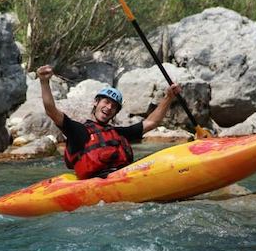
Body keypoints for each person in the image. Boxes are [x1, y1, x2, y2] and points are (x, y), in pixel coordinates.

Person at [37, 65, 181, 180]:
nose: (109, 107)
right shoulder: (79, 131)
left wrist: (168, 97)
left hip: (123, 179)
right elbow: (51, 110)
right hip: (96, 185)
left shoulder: (118, 134)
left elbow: (151, 122)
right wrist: (44, 81)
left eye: (114, 106)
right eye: (106, 102)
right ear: (96, 102)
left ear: (116, 112)